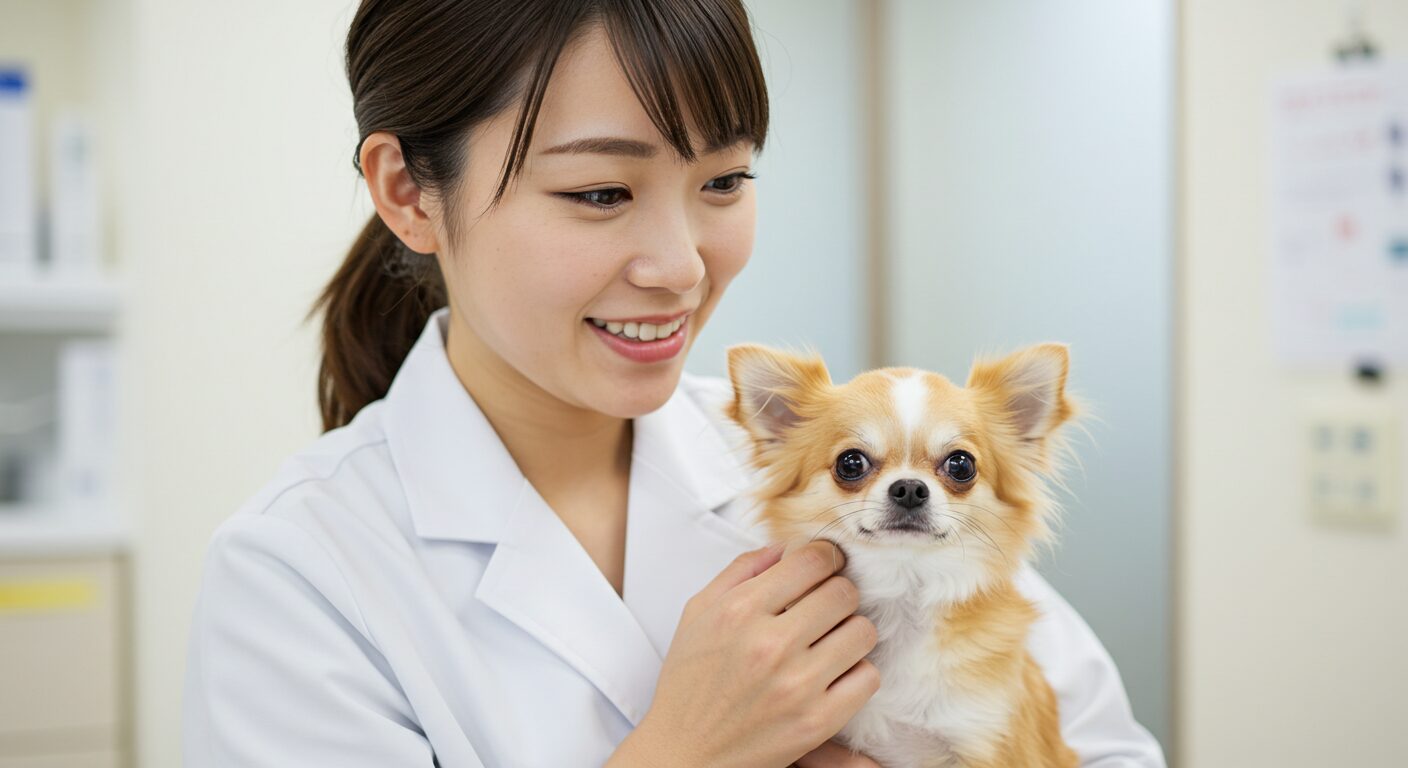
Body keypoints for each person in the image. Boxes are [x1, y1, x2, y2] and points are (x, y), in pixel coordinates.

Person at [182, 1, 1168, 766]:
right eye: (599, 193)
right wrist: (684, 750)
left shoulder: (834, 481)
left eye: (724, 182)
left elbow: (1100, 747)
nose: (682, 266)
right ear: (408, 192)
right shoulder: (297, 576)